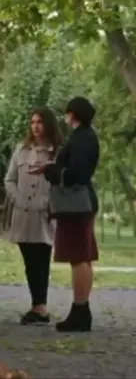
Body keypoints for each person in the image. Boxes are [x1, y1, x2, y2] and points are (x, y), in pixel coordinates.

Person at [28, 97, 100, 332]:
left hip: (75, 205)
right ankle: (81, 309)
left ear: (72, 114)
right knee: (83, 258)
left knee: (78, 257)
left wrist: (51, 171)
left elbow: (75, 174)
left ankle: (80, 310)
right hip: (82, 203)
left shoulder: (80, 139)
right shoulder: (87, 136)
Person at [4, 107, 63, 325]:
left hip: (44, 215)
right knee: (29, 261)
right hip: (22, 214)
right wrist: (17, 198)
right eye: (33, 122)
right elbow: (9, 179)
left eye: (40, 122)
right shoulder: (21, 150)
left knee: (41, 259)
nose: (36, 126)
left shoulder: (57, 152)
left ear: (48, 124)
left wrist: (49, 202)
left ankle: (41, 307)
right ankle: (37, 306)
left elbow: (61, 182)